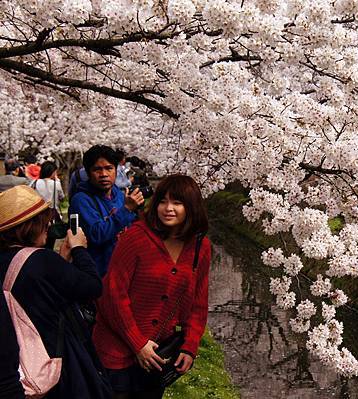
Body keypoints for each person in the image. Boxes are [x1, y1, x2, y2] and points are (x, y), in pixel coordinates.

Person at [93, 174, 211, 399]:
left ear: (192, 207)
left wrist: (190, 346)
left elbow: (199, 300)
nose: (168, 208)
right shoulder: (136, 238)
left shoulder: (200, 246)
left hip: (157, 354)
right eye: (163, 201)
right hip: (116, 350)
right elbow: (113, 295)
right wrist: (138, 344)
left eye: (177, 203)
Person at [0, 185, 110, 399]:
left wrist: (61, 260)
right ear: (31, 226)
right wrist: (79, 249)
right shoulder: (42, 260)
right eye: (45, 221)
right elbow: (92, 286)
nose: (48, 227)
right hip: (51, 365)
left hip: (14, 366)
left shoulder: (14, 260)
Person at [69, 145, 145, 276]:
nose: (104, 174)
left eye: (109, 168)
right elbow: (96, 235)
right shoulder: (81, 200)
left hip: (122, 270)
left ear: (116, 170)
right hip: (97, 274)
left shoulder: (121, 196)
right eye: (97, 169)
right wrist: (126, 210)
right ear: (88, 173)